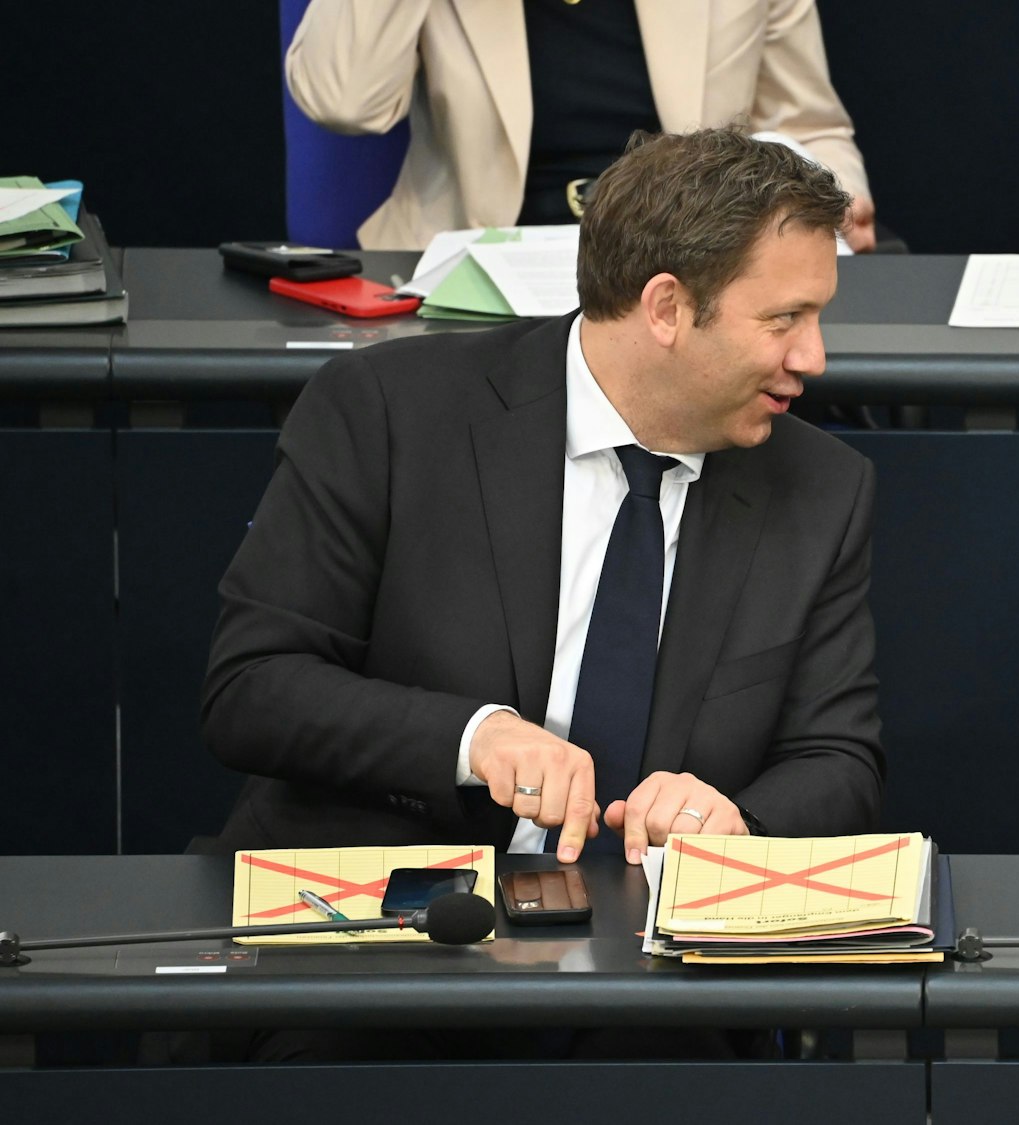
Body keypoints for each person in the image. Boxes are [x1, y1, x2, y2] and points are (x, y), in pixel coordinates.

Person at [204, 128, 884, 865]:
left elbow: (839, 757)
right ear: (666, 309)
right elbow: (253, 686)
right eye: (783, 320)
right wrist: (473, 738)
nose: (811, 357)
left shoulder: (820, 487)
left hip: (653, 929)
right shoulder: (389, 412)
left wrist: (740, 820)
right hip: (391, 904)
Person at [285, 0, 877, 250]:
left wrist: (837, 198)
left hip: (686, 265)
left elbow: (806, 126)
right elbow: (343, 100)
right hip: (477, 273)